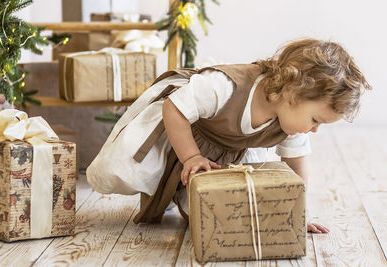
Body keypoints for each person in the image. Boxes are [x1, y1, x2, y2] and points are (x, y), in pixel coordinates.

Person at [86, 38, 371, 234]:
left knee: (214, 216)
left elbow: (297, 169)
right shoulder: (224, 86)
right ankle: (170, 173)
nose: (314, 130)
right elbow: (175, 109)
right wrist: (191, 156)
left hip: (222, 153)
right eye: (315, 120)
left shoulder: (290, 121)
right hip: (183, 127)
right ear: (293, 92)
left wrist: (297, 212)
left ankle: (181, 190)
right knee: (127, 169)